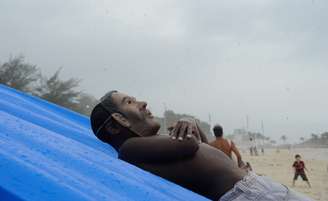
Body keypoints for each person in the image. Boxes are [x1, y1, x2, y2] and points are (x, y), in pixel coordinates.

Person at [90, 90, 313, 201]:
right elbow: (189, 146)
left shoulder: (152, 143)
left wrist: (194, 126)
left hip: (256, 186)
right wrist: (189, 123)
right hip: (246, 195)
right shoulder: (130, 148)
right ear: (117, 122)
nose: (143, 103)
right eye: (129, 102)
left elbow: (208, 151)